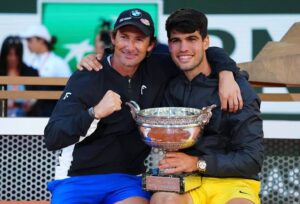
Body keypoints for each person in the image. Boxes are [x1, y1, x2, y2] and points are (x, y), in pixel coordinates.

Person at [44, 8, 242, 204]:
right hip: (77, 180)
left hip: (127, 181)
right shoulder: (87, 75)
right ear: (113, 38)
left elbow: (201, 53)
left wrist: (226, 73)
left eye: (139, 39)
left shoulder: (159, 67)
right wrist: (94, 113)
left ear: (150, 45)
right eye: (124, 37)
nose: (130, 47)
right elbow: (52, 137)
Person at [149, 9, 264, 204]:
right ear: (169, 45)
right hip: (188, 181)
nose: (183, 48)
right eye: (176, 40)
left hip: (233, 182)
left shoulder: (236, 89)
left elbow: (252, 160)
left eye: (191, 39)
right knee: (162, 200)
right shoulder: (171, 85)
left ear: (205, 42)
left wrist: (197, 163)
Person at [22, 24, 72, 116]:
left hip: (52, 113)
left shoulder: (58, 63)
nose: (28, 44)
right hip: (30, 113)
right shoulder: (29, 61)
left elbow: (70, 89)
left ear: (41, 40)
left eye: (30, 40)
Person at [0, 35, 38, 116]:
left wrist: (31, 103)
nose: (13, 58)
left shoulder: (30, 72)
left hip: (27, 119)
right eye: (10, 54)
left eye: (16, 54)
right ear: (4, 54)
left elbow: (37, 98)